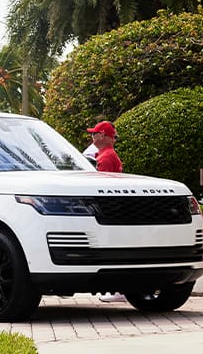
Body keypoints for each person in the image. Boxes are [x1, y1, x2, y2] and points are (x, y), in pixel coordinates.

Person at [87, 120, 126, 303]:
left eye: (94, 133)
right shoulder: (108, 155)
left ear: (102, 135)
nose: (92, 136)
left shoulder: (105, 158)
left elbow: (100, 186)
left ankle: (115, 289)